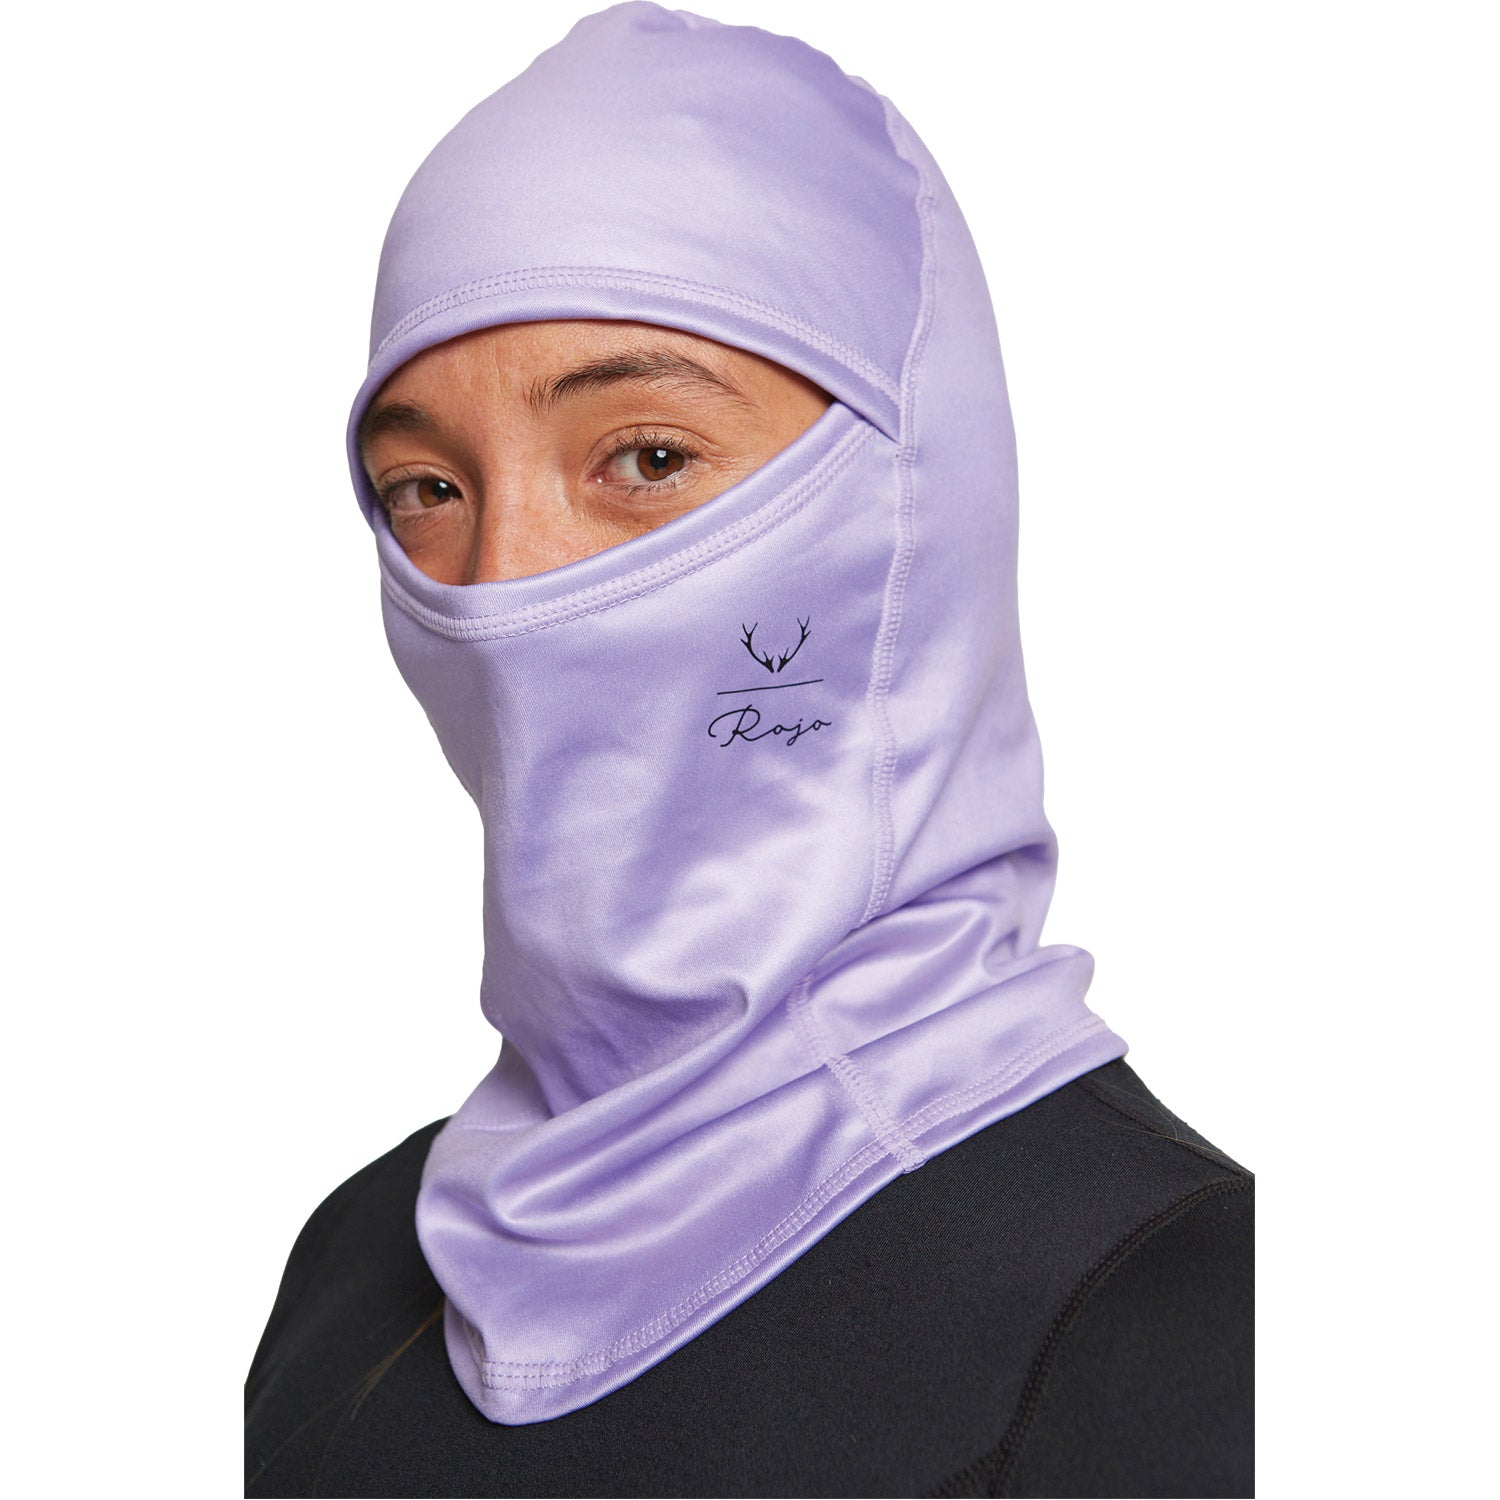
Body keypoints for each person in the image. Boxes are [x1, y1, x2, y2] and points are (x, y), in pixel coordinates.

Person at [244, 5, 1253, 1495]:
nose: (505, 586)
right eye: (426, 488)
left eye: (648, 458)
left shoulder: (1171, 1307)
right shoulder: (355, 1270)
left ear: (916, 500)